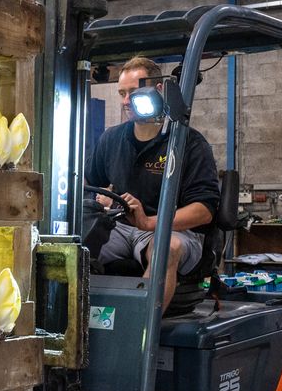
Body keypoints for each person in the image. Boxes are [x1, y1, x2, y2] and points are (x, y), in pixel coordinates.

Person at [85, 56, 220, 309]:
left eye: (134, 93)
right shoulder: (111, 139)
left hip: (172, 231)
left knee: (166, 248)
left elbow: (204, 210)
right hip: (121, 228)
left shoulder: (188, 143)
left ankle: (138, 335)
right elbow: (93, 184)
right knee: (72, 243)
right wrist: (99, 199)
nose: (126, 101)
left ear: (159, 90)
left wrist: (148, 222)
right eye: (122, 93)